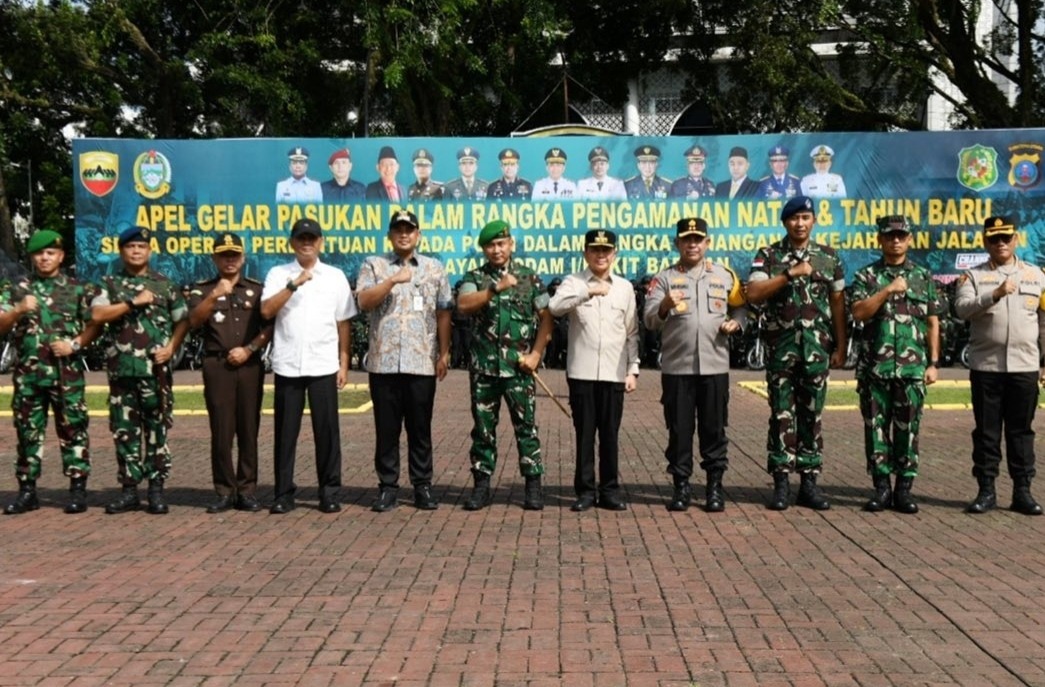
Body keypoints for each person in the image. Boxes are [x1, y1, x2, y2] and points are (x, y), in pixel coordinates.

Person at [746, 196, 847, 511]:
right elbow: (754, 293)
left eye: (805, 217)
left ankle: (809, 484)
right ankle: (780, 483)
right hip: (781, 350)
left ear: (814, 220)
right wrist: (788, 274)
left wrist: (842, 345)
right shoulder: (768, 255)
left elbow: (838, 304)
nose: (799, 223)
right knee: (781, 415)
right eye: (794, 218)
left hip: (817, 350)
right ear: (785, 222)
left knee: (812, 415)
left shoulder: (829, 257)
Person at [643, 218, 746, 512]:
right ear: (677, 243)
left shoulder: (724, 275)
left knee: (714, 430)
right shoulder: (664, 278)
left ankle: (714, 488)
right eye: (686, 239)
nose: (692, 244)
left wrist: (737, 323)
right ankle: (681, 487)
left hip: (715, 367)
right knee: (679, 431)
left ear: (707, 243)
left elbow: (741, 306)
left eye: (698, 239)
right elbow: (649, 319)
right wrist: (664, 305)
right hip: (678, 369)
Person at [356, 209, 453, 512]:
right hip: (384, 362)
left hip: (421, 362)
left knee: (420, 428)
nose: (403, 234)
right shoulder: (374, 264)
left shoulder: (434, 268)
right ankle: (388, 487)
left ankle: (422, 486)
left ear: (418, 235)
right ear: (389, 235)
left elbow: (443, 311)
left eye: (409, 229)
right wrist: (391, 281)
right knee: (386, 429)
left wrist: (444, 352)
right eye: (398, 230)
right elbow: (364, 301)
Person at [90, 226, 190, 515]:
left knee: (157, 430)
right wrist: (132, 302)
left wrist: (171, 347)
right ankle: (129, 490)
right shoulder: (109, 284)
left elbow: (183, 320)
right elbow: (97, 314)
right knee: (124, 431)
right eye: (130, 247)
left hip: (155, 373)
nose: (136, 251)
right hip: (121, 372)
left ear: (149, 251)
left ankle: (156, 490)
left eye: (141, 247)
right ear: (122, 251)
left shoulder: (164, 285)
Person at [0, 229, 100, 515]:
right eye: (39, 253)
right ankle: (27, 491)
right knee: (28, 433)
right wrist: (18, 309)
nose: (44, 258)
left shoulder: (79, 289)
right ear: (32, 257)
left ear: (61, 256)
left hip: (66, 375)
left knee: (73, 429)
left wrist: (75, 344)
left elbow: (95, 324)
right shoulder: (16, 289)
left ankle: (78, 490)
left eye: (50, 253)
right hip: (29, 376)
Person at [456, 220, 553, 510]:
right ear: (484, 249)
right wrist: (493, 290)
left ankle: (533, 486)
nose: (496, 250)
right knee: (483, 430)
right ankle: (481, 486)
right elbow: (464, 305)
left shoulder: (529, 278)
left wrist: (536, 354)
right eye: (490, 245)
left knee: (526, 428)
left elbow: (547, 318)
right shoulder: (475, 277)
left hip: (519, 369)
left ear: (511, 244)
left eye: (501, 243)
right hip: (484, 370)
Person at [261, 218, 356, 514]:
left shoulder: (335, 276)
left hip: (323, 364)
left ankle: (329, 492)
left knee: (327, 433)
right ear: (292, 242)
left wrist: (343, 363)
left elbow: (343, 322)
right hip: (288, 364)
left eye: (311, 238)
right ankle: (283, 493)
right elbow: (266, 310)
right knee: (285, 434)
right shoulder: (278, 274)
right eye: (301, 238)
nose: (306, 243)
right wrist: (294, 284)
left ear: (320, 242)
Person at [849, 216, 943, 514]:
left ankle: (904, 489)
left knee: (908, 430)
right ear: (880, 239)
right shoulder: (866, 276)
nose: (896, 241)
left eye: (901, 235)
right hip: (874, 369)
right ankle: (881, 489)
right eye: (890, 236)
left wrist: (933, 363)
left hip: (912, 369)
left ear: (910, 239)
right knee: (875, 430)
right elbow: (859, 313)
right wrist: (887, 290)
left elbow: (932, 322)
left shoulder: (923, 276)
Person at [954, 216, 1045, 516]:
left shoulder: (1036, 275)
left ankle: (1023, 491)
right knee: (987, 432)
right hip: (987, 368)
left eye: (1006, 237)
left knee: (1022, 432)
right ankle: (986, 490)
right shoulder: (973, 276)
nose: (1001, 243)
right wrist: (994, 294)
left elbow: (1044, 322)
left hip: (1025, 367)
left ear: (1016, 240)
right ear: (985, 242)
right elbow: (961, 310)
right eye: (994, 238)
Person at [549, 229, 639, 511]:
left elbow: (631, 332)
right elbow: (554, 307)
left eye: (606, 250)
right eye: (595, 250)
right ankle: (586, 492)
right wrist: (587, 291)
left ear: (615, 254)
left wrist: (633, 369)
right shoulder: (573, 282)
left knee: (610, 434)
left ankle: (610, 490)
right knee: (585, 434)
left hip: (614, 372)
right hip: (582, 373)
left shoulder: (625, 287)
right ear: (585, 253)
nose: (601, 255)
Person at [187, 234, 273, 514]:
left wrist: (250, 349)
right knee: (221, 430)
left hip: (249, 364)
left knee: (249, 427)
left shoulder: (256, 289)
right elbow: (193, 321)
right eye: (224, 255)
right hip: (218, 365)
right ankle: (224, 490)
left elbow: (270, 326)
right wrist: (214, 295)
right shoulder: (202, 289)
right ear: (214, 258)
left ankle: (247, 490)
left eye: (234, 255)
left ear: (243, 258)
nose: (230, 260)